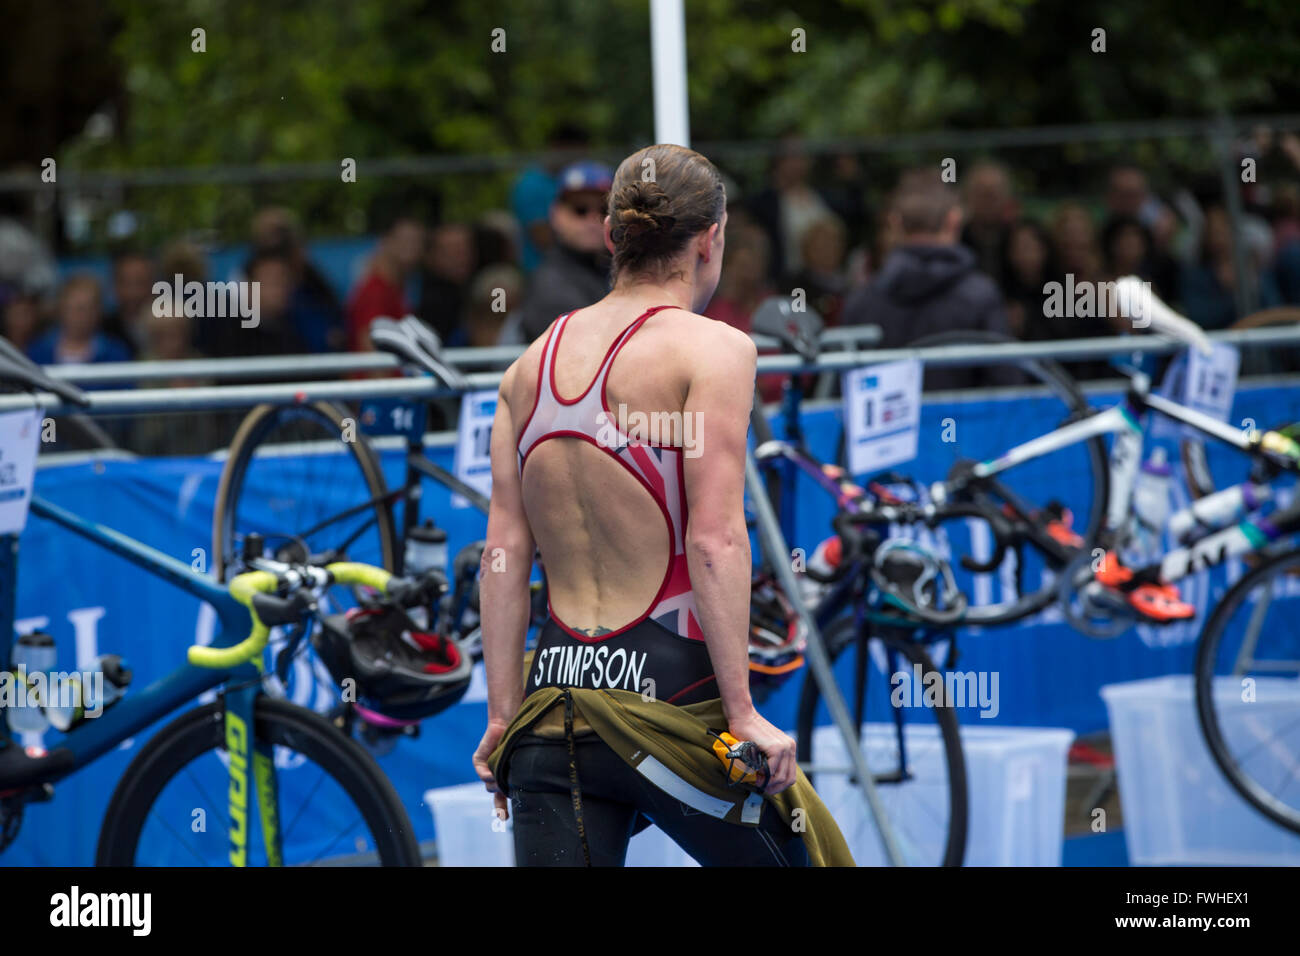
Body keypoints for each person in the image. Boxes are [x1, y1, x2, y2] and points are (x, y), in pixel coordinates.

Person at [472, 143, 852, 868]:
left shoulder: (528, 367)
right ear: (712, 240)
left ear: (612, 238)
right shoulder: (713, 350)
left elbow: (503, 553)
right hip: (674, 701)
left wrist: (501, 715)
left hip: (553, 711)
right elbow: (715, 539)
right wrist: (742, 714)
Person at [839, 169, 1014, 390]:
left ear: (894, 223)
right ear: (953, 220)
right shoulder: (981, 295)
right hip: (965, 423)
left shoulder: (861, 301)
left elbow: (841, 392)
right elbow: (1007, 385)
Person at [516, 160, 615, 342]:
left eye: (603, 210)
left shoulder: (617, 269)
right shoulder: (549, 284)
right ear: (556, 214)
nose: (592, 219)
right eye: (580, 210)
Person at [346, 212, 425, 352]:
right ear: (385, 241)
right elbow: (371, 350)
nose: (412, 248)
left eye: (417, 241)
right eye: (404, 240)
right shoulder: (375, 291)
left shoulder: (396, 289)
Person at [27, 274, 130, 366]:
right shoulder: (38, 352)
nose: (84, 315)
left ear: (99, 312)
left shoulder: (116, 353)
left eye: (90, 308)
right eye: (78, 308)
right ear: (61, 309)